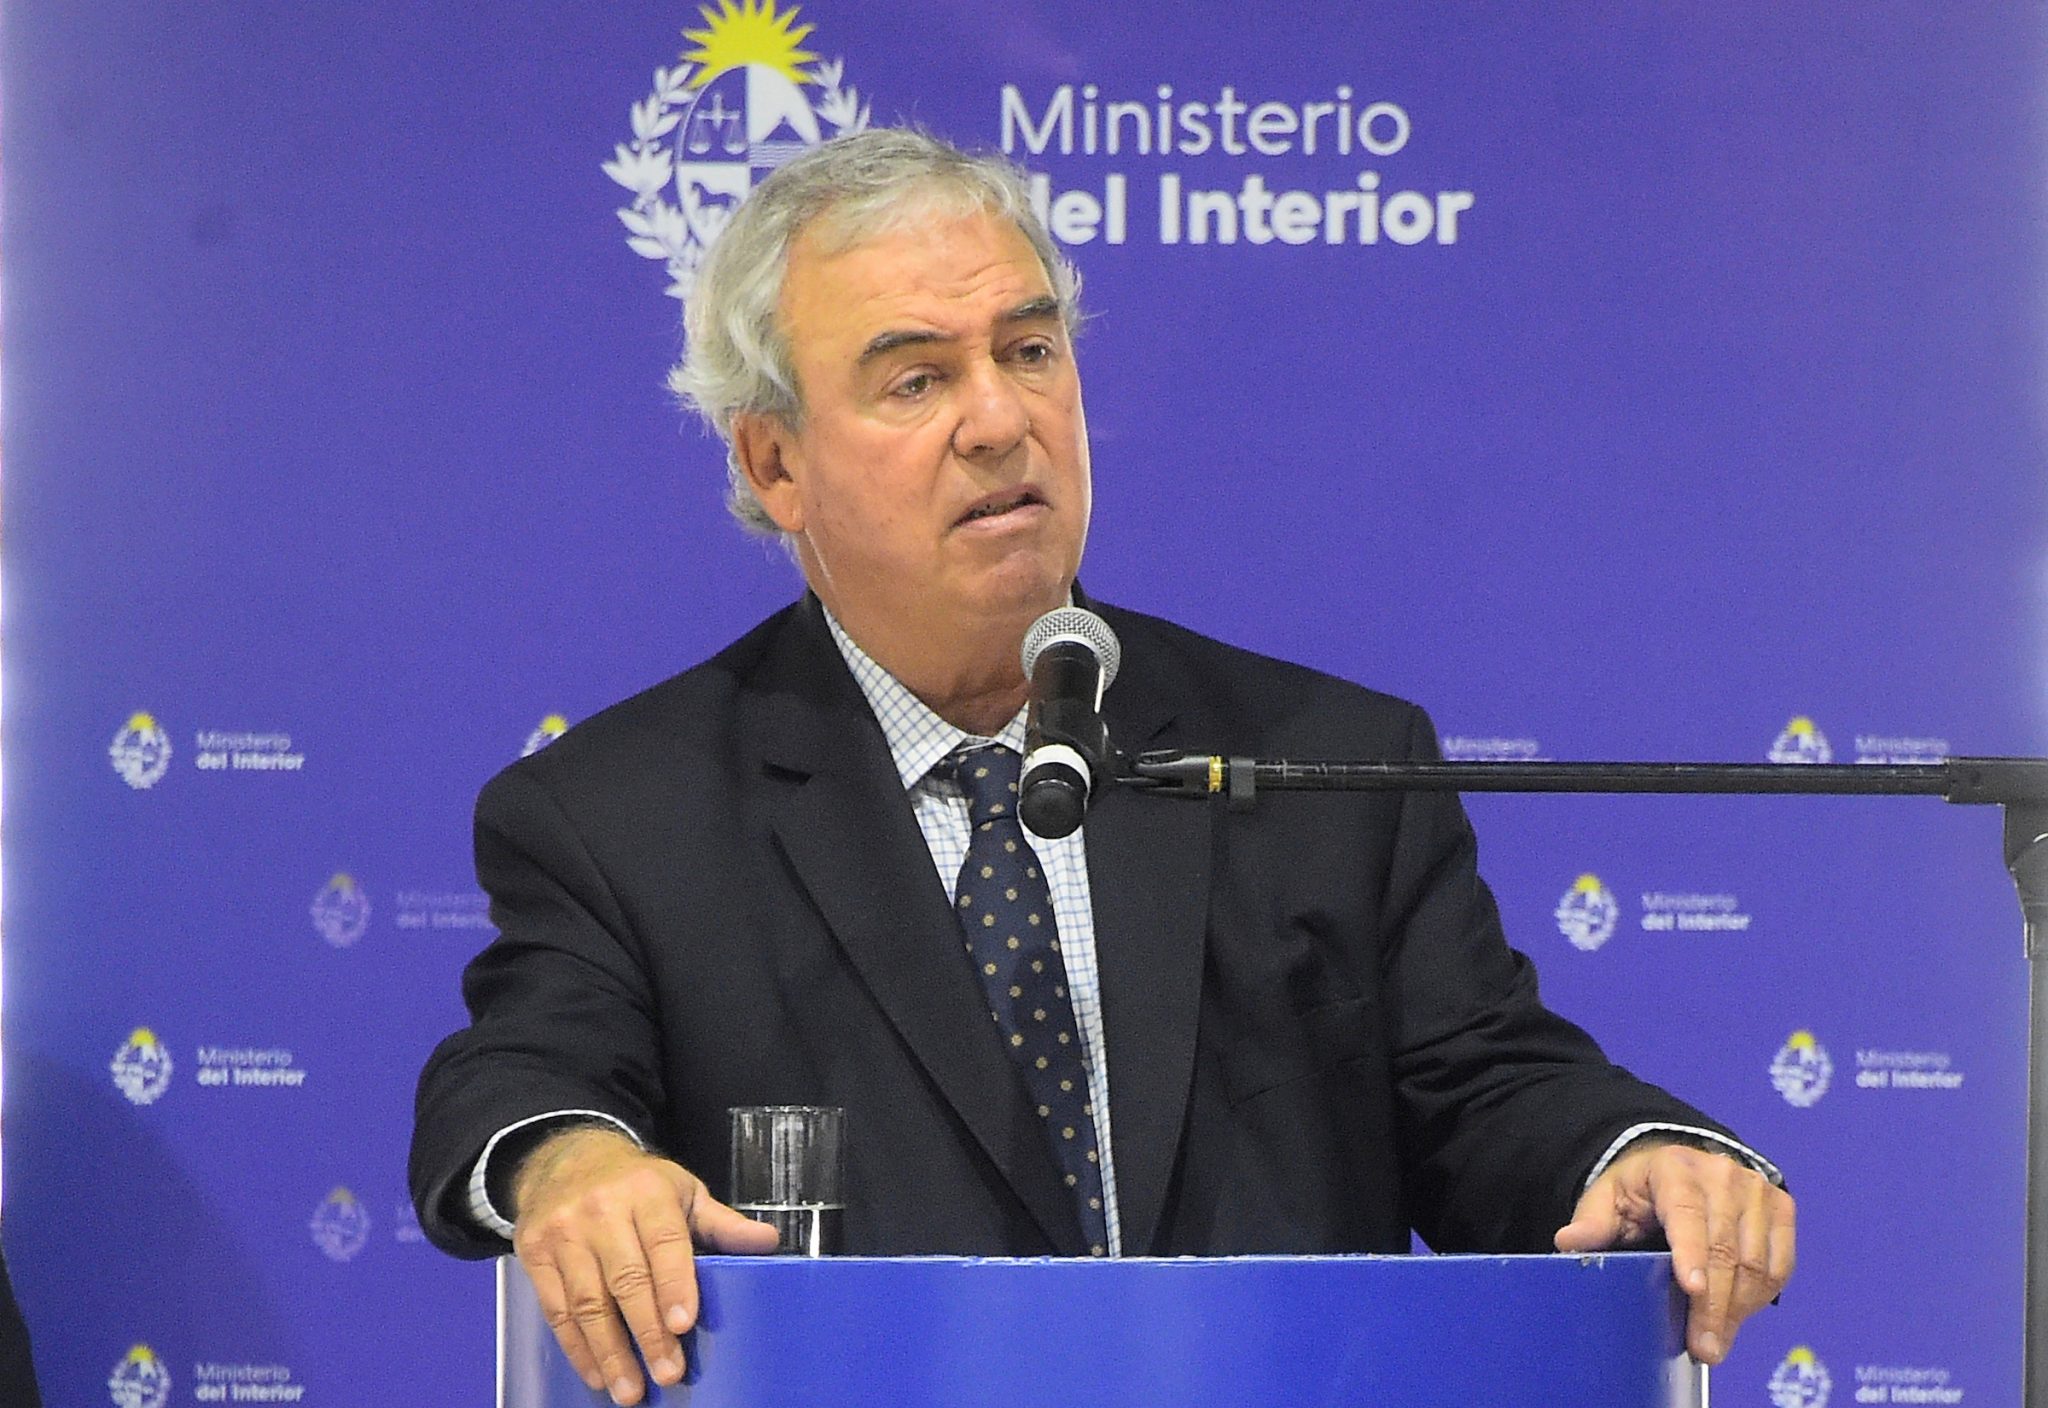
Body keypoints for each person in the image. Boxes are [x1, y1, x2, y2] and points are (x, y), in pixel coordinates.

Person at [410, 128, 1794, 1408]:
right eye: (916, 379)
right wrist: (572, 1162)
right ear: (776, 463)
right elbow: (523, 1071)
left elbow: (1488, 1090)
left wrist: (1636, 1156)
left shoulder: (1318, 760)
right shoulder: (622, 817)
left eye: (1029, 351)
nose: (999, 420)